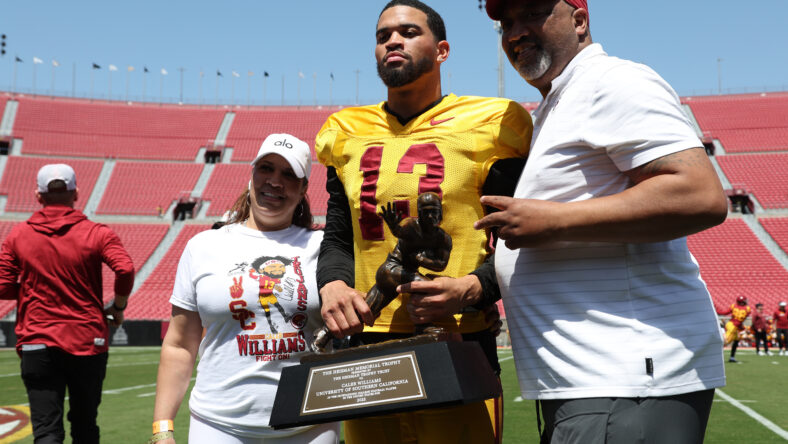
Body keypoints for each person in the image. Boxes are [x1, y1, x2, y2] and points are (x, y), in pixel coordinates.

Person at [476, 1, 729, 442]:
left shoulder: (613, 81)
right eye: (505, 22)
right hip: (598, 380)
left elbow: (699, 194)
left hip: (624, 381)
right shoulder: (561, 101)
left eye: (533, 12)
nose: (515, 31)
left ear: (579, 19)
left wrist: (553, 220)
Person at [315, 1, 532, 442]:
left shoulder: (493, 122)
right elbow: (339, 234)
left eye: (409, 32)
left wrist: (476, 289)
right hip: (366, 342)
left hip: (457, 338)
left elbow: (516, 238)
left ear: (442, 50)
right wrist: (333, 284)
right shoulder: (345, 129)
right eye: (382, 36)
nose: (392, 40)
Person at [151, 134, 338, 444]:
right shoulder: (204, 246)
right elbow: (180, 345)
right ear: (252, 174)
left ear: (304, 187)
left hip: (309, 426)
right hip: (218, 425)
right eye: (266, 168)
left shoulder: (326, 247)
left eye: (288, 174)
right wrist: (162, 429)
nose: (275, 181)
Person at [0, 163, 134, 444]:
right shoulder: (97, 233)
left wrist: (32, 288)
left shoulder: (18, 235)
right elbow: (124, 269)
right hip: (87, 340)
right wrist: (118, 307)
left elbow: (1, 285)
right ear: (76, 194)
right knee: (85, 425)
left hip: (37, 341)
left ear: (38, 196)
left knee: (47, 431)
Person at [717, 296, 751, 363]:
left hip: (732, 325)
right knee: (725, 342)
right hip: (733, 326)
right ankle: (714, 356)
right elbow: (740, 320)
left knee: (736, 340)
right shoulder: (747, 309)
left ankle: (732, 357)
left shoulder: (734, 306)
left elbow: (725, 313)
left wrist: (716, 311)